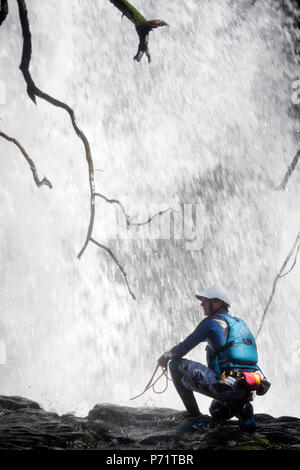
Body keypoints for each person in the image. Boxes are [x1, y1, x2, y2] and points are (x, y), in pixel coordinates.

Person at [158, 285, 269, 432]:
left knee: (174, 364)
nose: (202, 304)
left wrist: (165, 356)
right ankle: (244, 410)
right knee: (216, 410)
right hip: (249, 385)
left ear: (217, 303)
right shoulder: (239, 324)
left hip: (226, 387)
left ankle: (195, 417)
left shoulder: (211, 323)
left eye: (205, 300)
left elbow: (182, 350)